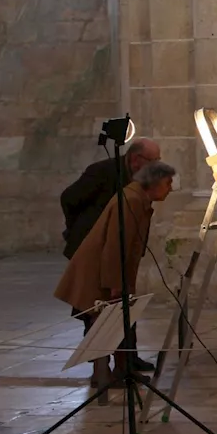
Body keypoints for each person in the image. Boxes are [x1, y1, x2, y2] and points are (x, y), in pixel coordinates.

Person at [54, 161, 177, 393]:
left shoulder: (138, 198)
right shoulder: (131, 200)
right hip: (99, 270)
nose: (171, 189)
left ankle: (121, 369)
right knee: (103, 321)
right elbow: (115, 246)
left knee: (117, 321)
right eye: (168, 183)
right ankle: (102, 376)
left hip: (108, 269)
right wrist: (114, 284)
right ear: (154, 182)